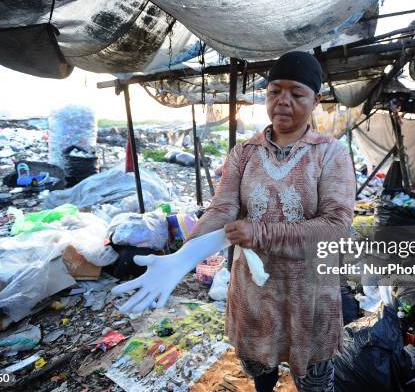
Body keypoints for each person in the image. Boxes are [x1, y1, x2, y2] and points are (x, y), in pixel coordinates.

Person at [113, 51, 355, 391]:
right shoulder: (245, 153)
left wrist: (259, 231)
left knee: (313, 378)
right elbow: (222, 208)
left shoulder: (330, 153)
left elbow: (336, 226)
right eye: (274, 91)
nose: (283, 101)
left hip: (308, 292)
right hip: (254, 290)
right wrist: (182, 257)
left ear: (315, 100)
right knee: (260, 370)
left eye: (296, 94)